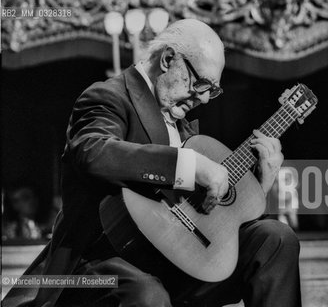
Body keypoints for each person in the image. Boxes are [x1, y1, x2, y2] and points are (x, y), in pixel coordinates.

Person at [3, 19, 301, 307]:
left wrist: (260, 185)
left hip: (175, 262)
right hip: (102, 259)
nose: (206, 99)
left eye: (214, 90)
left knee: (275, 239)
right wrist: (188, 166)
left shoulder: (185, 128)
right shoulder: (108, 97)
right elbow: (92, 152)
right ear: (169, 59)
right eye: (201, 84)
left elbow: (209, 222)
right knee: (148, 296)